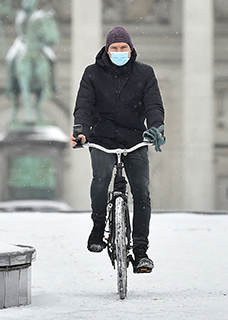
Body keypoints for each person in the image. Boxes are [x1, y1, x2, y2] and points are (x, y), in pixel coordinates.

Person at [72, 26, 165, 274]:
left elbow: (153, 105)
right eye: (115, 48)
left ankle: (141, 250)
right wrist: (80, 130)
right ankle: (98, 226)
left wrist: (156, 127)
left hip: (135, 138)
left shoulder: (145, 73)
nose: (119, 51)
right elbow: (83, 105)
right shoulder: (92, 74)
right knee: (101, 179)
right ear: (107, 49)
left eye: (123, 47)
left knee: (142, 192)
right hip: (101, 137)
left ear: (131, 49)